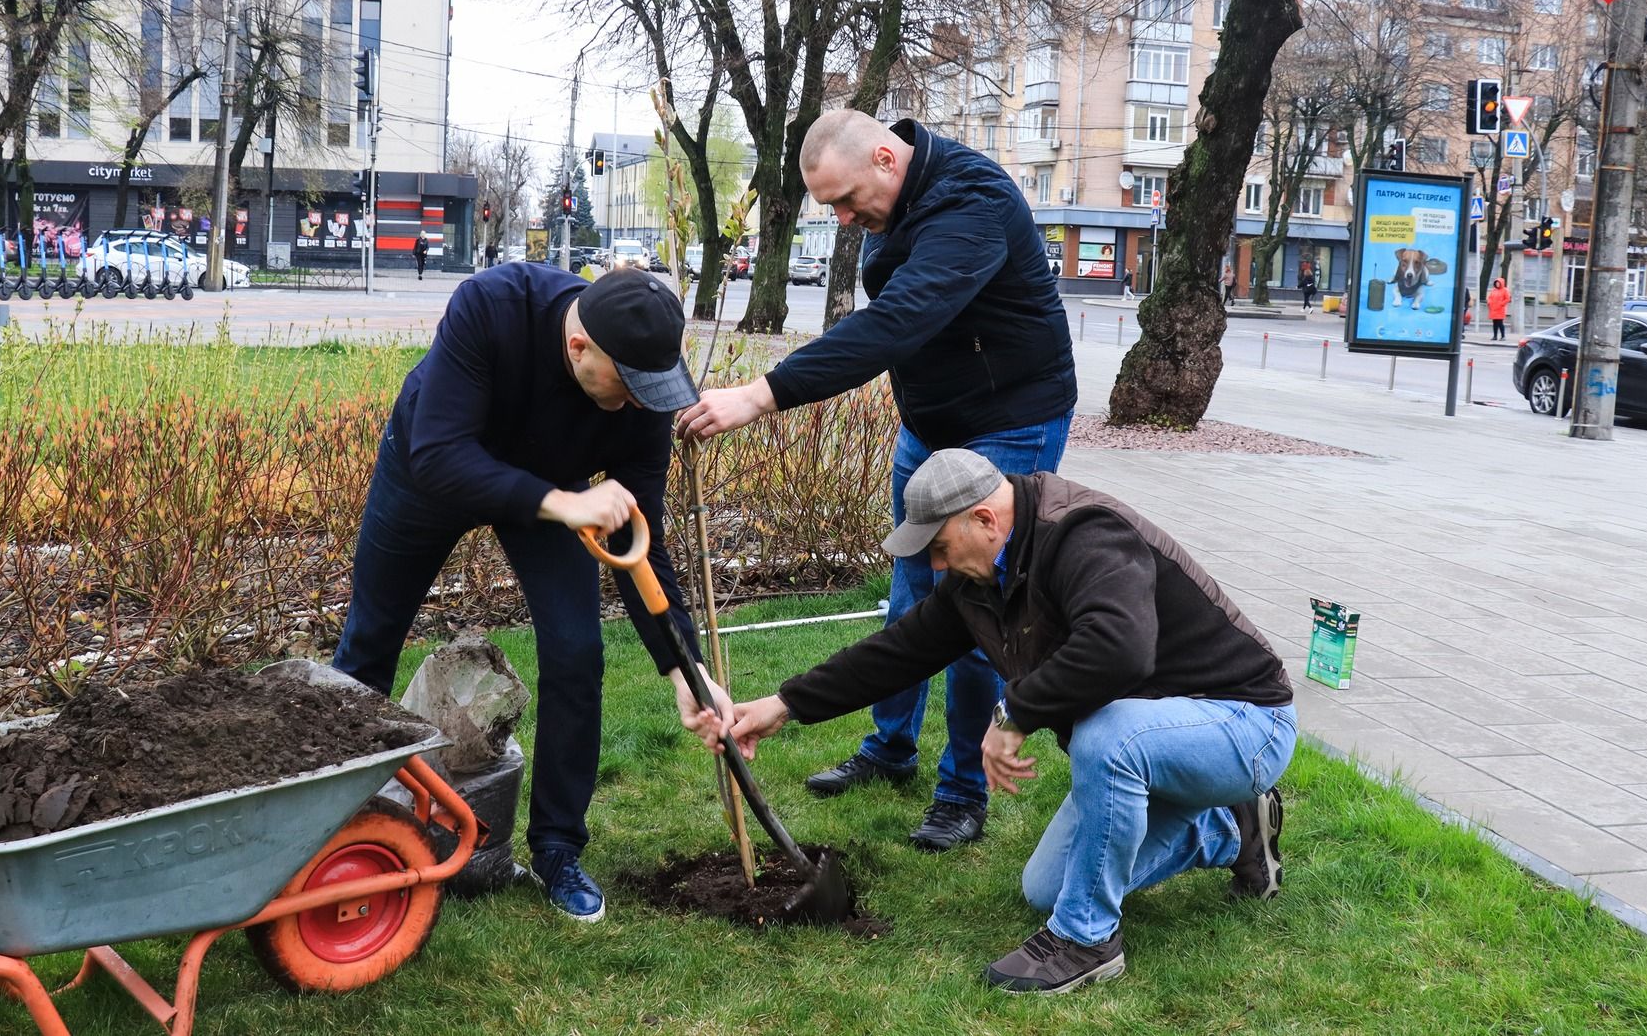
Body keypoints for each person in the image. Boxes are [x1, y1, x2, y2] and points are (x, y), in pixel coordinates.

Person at [708, 450, 1298, 994]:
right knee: (1046, 888)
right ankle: (1231, 829)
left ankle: (1086, 941)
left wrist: (1013, 713)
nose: (936, 563)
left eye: (939, 546)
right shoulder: (979, 579)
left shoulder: (1084, 533)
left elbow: (1121, 648)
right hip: (1163, 738)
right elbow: (898, 651)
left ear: (986, 520)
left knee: (1108, 737)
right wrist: (783, 705)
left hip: (1244, 724)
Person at [678, 109, 1075, 853]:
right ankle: (890, 748)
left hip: (1008, 424)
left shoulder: (974, 201)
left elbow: (897, 322)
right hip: (928, 426)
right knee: (908, 596)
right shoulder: (896, 196)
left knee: (977, 619)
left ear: (888, 160)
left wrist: (759, 395)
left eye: (847, 199)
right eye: (831, 207)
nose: (845, 219)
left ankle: (962, 791)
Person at [330, 264, 729, 923]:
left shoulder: (642, 392)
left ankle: (556, 851)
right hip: (433, 473)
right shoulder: (494, 306)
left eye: (651, 391)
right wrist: (564, 503)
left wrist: (682, 666)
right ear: (580, 348)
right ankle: (328, 831)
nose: (638, 403)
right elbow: (437, 450)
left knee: (577, 653)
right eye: (628, 386)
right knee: (370, 640)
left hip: (552, 495)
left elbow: (641, 542)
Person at [1487, 277, 1512, 341]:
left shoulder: (1505, 290)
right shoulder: (1493, 290)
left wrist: (1501, 304)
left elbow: (1508, 299)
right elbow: (1490, 297)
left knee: (1500, 323)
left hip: (1500, 309)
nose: (1497, 284)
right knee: (1494, 323)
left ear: (1501, 283)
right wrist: (1489, 302)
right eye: (1496, 283)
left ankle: (1503, 336)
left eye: (1498, 283)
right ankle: (1495, 336)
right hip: (1493, 309)